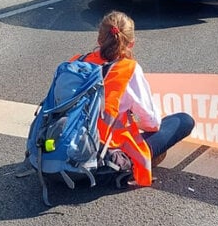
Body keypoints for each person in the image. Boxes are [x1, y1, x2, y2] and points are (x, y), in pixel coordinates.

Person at [73, 11, 194, 186]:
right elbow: (152, 123)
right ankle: (130, 163)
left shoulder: (76, 62)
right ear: (131, 44)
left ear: (99, 40)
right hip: (102, 159)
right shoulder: (127, 69)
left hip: (64, 151)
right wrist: (134, 124)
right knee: (183, 120)